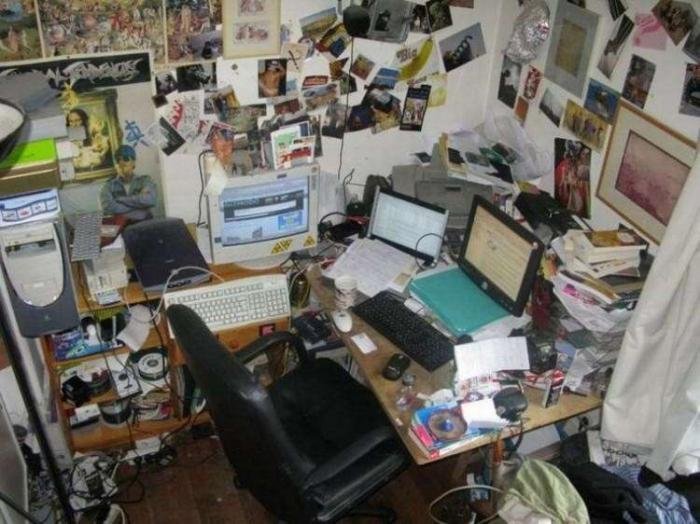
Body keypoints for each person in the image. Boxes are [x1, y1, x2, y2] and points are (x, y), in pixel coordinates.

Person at [100, 145, 157, 222]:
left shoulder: (145, 181)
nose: (121, 162)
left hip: (144, 224)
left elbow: (150, 200)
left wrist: (120, 200)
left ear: (133, 162)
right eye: (118, 160)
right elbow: (108, 208)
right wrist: (139, 205)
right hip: (121, 226)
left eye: (126, 159)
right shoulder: (108, 186)